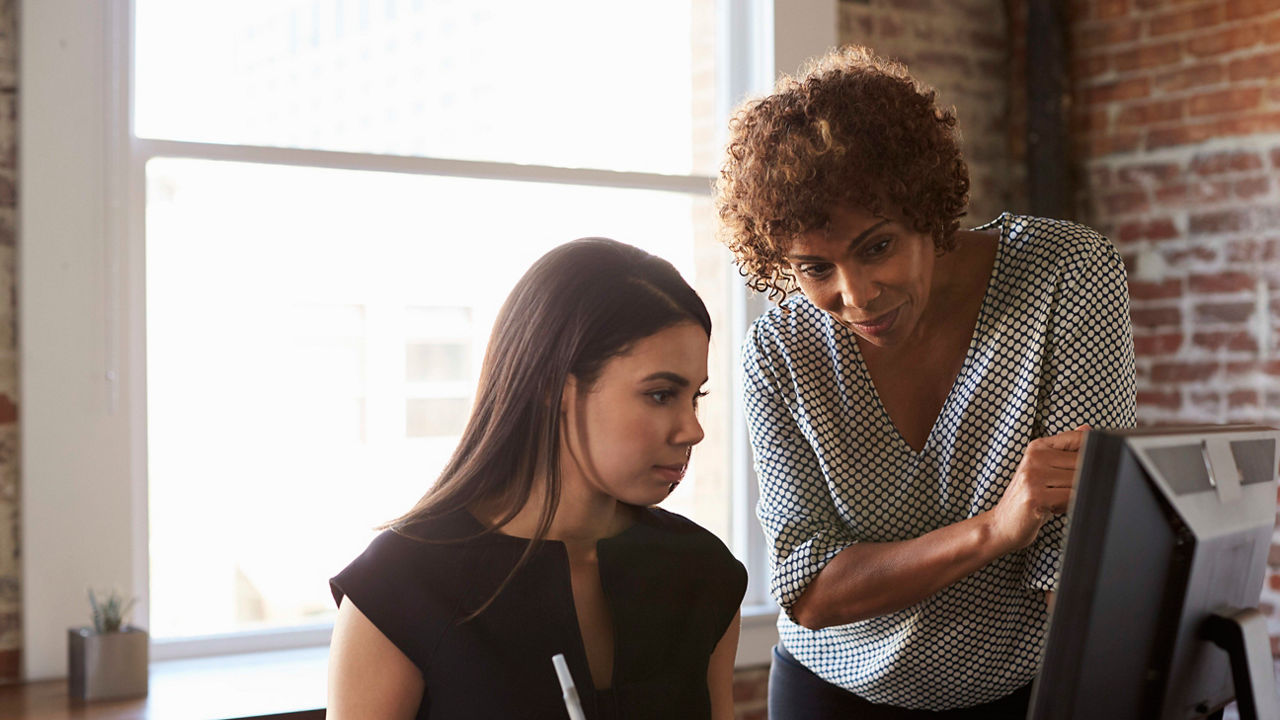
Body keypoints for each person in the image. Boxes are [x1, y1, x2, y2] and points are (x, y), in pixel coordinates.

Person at [714, 46, 1137, 719]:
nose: (855, 295)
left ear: (928, 208)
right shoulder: (780, 351)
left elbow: (1073, 552)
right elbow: (810, 589)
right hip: (833, 689)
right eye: (815, 268)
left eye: (877, 246)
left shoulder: (1063, 276)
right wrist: (995, 529)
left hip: (1014, 687)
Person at [326, 238, 747, 720]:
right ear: (552, 386)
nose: (693, 429)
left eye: (695, 397)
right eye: (660, 394)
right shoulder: (398, 587)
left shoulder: (704, 573)